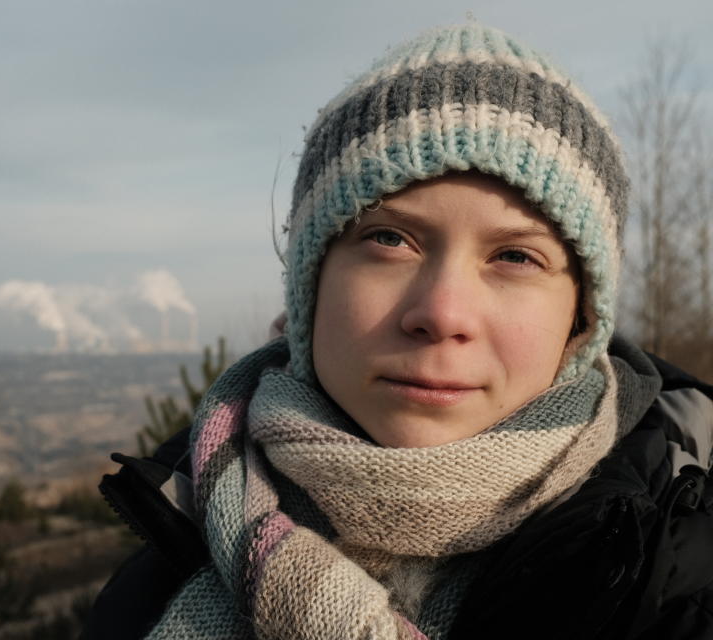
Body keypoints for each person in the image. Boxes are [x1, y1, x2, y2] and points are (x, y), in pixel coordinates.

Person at [84, 23, 713, 640]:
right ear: (310, 289)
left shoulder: (675, 588)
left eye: (516, 256)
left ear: (580, 321)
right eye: (389, 239)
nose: (441, 313)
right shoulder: (156, 574)